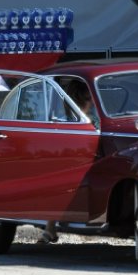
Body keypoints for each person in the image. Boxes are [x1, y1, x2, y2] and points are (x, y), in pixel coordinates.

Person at [38, 80, 97, 244]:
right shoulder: (64, 120)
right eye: (87, 99)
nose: (91, 102)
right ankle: (50, 227)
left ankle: (51, 228)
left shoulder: (92, 118)